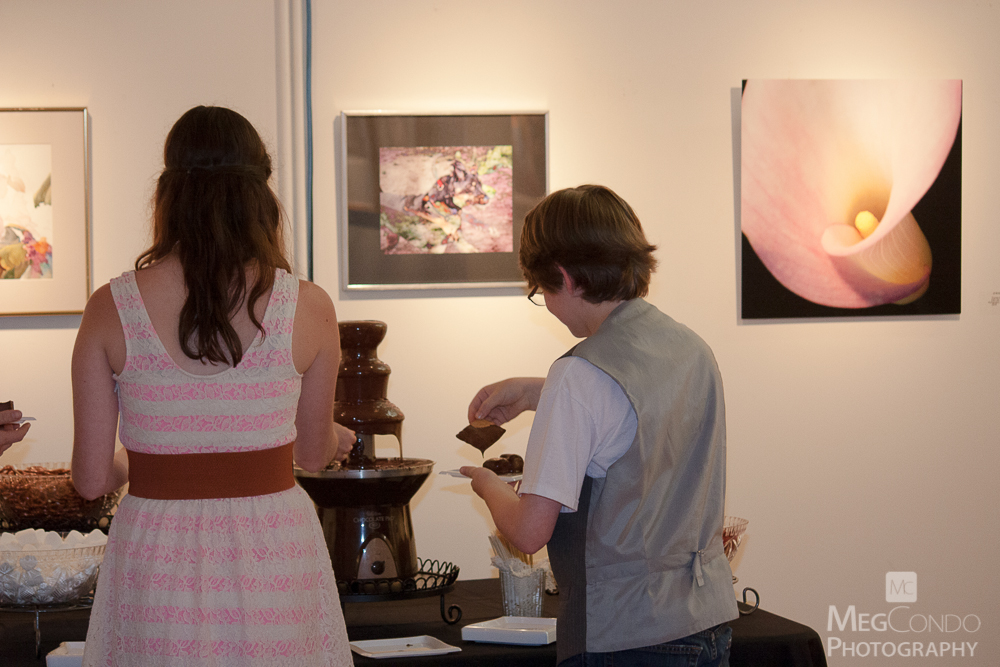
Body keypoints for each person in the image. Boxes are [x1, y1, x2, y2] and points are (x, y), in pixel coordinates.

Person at [71, 106, 354, 666]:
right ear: (260, 196)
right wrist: (330, 437)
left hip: (157, 554)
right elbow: (312, 454)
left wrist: (160, 454)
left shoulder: (110, 307)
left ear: (168, 195)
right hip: (273, 550)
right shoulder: (308, 305)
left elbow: (91, 480)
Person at [461, 185, 738, 666]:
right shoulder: (691, 348)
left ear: (565, 278)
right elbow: (638, 415)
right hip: (706, 621)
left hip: (623, 635)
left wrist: (486, 484)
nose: (546, 304)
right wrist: (533, 393)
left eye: (540, 291)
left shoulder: (577, 375)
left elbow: (528, 532)